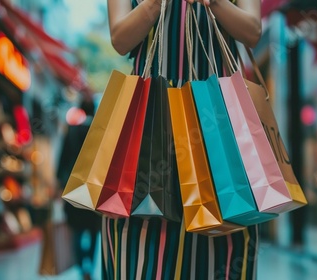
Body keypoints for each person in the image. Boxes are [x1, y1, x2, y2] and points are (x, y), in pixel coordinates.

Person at [105, 0, 262, 279]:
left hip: (217, 122)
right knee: (143, 249)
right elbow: (120, 38)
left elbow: (252, 31)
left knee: (223, 244)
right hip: (150, 119)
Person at [57, 99, 101, 280]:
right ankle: (89, 264)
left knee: (76, 229)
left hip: (74, 187)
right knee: (93, 230)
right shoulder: (99, 132)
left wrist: (59, 183)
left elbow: (62, 160)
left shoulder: (72, 131)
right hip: (93, 188)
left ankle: (82, 266)